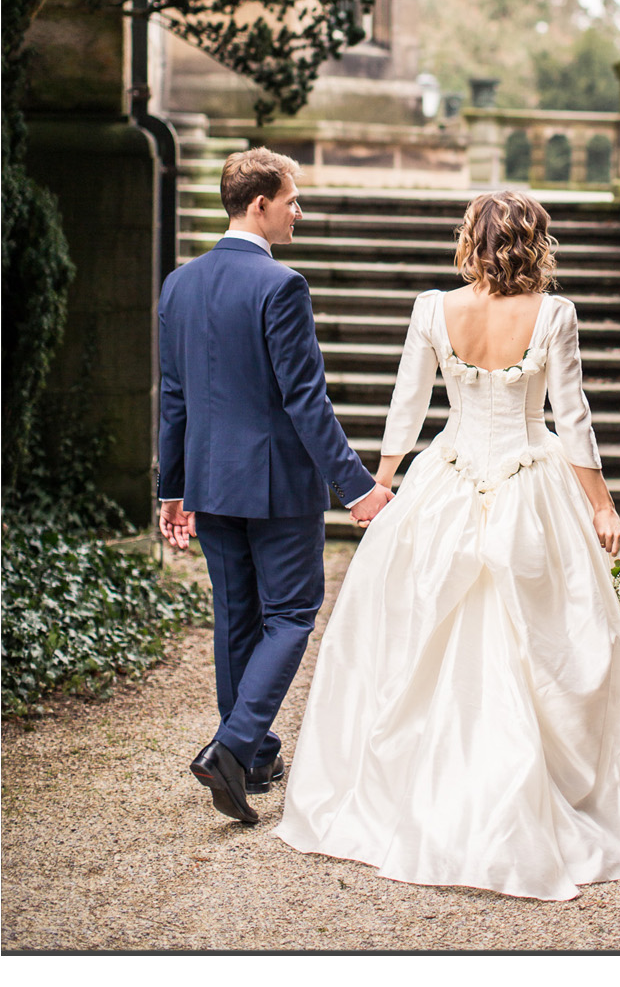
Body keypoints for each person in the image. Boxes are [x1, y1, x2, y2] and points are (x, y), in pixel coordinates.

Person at [274, 191, 620, 901]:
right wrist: (602, 506)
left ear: (471, 241)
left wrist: (381, 485)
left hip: (445, 478)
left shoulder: (430, 308)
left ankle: (420, 790)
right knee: (549, 641)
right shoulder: (555, 315)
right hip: (530, 480)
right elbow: (572, 419)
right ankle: (520, 797)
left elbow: (407, 403)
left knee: (413, 638)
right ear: (533, 241)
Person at [157, 149, 389, 825]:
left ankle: (252, 757)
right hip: (275, 484)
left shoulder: (179, 284)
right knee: (289, 615)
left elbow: (174, 396)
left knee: (236, 619)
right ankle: (229, 749)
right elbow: (304, 400)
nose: (299, 211)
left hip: (208, 480)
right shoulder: (281, 285)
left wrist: (170, 488)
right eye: (292, 199)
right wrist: (358, 486)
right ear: (258, 204)